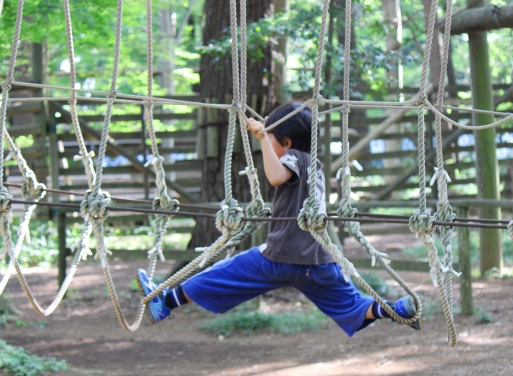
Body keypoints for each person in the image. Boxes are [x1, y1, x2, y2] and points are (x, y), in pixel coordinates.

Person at [137, 102, 420, 336]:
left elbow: (275, 177)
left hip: (280, 258)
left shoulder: (295, 157)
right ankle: (394, 310)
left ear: (285, 142)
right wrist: (266, 137)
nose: (268, 147)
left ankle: (166, 303)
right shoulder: (316, 165)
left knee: (222, 274)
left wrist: (262, 139)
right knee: (352, 303)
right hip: (319, 261)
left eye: (273, 141)